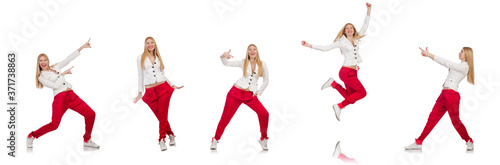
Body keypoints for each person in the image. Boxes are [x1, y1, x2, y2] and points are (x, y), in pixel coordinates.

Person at [301, 2, 371, 121]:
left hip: (353, 73)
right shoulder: (340, 42)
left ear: (354, 30)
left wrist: (369, 10)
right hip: (346, 72)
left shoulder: (356, 39)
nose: (349, 29)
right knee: (362, 93)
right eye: (347, 28)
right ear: (344, 31)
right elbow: (325, 48)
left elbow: (365, 25)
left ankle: (333, 84)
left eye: (351, 28)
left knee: (351, 97)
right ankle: (339, 106)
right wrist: (309, 45)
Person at [27, 38, 99, 148]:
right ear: (38, 63)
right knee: (54, 125)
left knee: (91, 114)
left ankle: (87, 140)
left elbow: (68, 59)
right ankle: (32, 135)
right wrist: (63, 74)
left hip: (71, 95)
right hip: (60, 99)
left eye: (44, 60)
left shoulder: (55, 67)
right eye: (40, 61)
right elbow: (55, 86)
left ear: (47, 61)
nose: (43, 62)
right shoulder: (41, 77)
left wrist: (82, 47)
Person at [405, 47, 475, 151]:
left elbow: (446, 63)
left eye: (461, 51)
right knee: (432, 118)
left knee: (455, 121)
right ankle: (419, 142)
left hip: (452, 96)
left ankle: (469, 140)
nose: (459, 53)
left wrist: (429, 55)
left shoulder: (465, 67)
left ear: (467, 55)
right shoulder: (459, 66)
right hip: (444, 94)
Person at [210, 44, 270, 151]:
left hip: (250, 95)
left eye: (254, 49)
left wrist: (258, 92)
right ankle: (215, 139)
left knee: (264, 114)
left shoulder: (262, 64)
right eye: (250, 49)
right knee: (226, 117)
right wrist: (223, 55)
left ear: (257, 51)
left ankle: (263, 138)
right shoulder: (243, 62)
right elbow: (226, 63)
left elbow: (266, 81)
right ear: (247, 52)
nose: (252, 51)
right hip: (236, 92)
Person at [133, 36, 184, 151]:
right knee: (161, 116)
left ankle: (161, 139)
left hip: (163, 88)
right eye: (148, 43)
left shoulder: (158, 56)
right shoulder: (140, 58)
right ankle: (171, 134)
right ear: (145, 45)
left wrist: (172, 84)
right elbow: (140, 76)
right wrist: (140, 92)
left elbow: (162, 73)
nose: (150, 45)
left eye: (152, 42)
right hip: (150, 91)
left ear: (155, 44)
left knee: (162, 114)